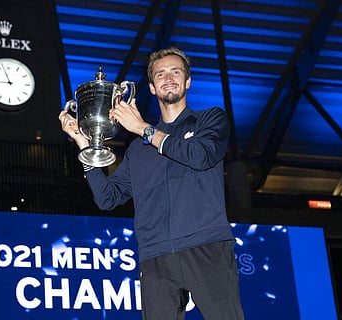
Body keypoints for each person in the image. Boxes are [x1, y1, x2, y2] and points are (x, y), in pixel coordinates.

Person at [59, 47, 244, 320]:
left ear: (188, 81)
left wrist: (144, 130)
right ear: (152, 88)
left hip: (207, 247)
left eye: (175, 72)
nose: (168, 78)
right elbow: (107, 197)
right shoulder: (137, 150)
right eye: (160, 74)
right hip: (155, 256)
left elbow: (201, 156)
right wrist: (85, 145)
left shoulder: (210, 120)